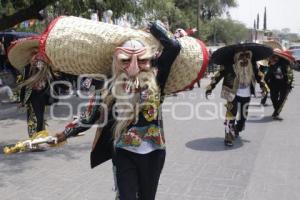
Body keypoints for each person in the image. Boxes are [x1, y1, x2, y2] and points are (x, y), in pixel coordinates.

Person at [54, 22, 181, 200]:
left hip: (154, 152)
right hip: (123, 152)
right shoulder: (109, 85)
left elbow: (174, 47)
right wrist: (64, 134)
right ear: (116, 60)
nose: (134, 67)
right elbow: (89, 116)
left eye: (141, 60)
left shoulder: (157, 78)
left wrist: (153, 27)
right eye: (126, 60)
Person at [205, 43, 272, 146]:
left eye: (247, 56)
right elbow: (218, 75)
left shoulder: (252, 64)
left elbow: (259, 76)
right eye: (241, 56)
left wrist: (264, 87)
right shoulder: (228, 64)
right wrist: (210, 88)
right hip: (232, 93)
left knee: (243, 117)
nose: (244, 58)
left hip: (247, 94)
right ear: (236, 56)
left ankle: (237, 128)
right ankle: (228, 136)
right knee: (231, 115)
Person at [19, 54, 57, 138]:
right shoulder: (27, 68)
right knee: (35, 117)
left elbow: (53, 80)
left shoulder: (45, 67)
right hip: (32, 96)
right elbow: (23, 85)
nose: (35, 58)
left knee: (41, 117)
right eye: (33, 56)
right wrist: (21, 100)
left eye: (37, 56)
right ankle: (33, 137)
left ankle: (39, 137)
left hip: (42, 95)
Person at [264, 49, 294, 120]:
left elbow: (290, 74)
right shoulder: (272, 65)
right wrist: (269, 86)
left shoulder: (284, 63)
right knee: (275, 98)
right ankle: (276, 111)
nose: (273, 58)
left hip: (283, 84)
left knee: (281, 99)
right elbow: (266, 78)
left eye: (275, 57)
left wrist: (289, 85)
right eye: (273, 57)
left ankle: (276, 113)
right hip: (276, 85)